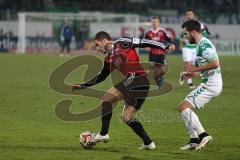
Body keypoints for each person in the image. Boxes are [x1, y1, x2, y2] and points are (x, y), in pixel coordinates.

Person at [71, 31, 174, 149]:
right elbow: (102, 76)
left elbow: (144, 42)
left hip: (137, 78)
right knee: (127, 117)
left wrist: (164, 45)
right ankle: (148, 143)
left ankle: (103, 134)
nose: (97, 48)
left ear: (104, 40)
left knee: (107, 98)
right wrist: (84, 85)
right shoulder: (109, 58)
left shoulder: (123, 42)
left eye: (97, 44)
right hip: (141, 84)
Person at [178, 20, 222, 150]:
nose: (184, 37)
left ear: (193, 32)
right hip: (209, 83)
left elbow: (215, 63)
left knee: (184, 107)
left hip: (211, 85)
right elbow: (209, 68)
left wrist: (194, 69)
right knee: (183, 107)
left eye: (185, 34)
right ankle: (194, 140)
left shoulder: (204, 45)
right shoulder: (200, 45)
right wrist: (192, 74)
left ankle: (203, 135)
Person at [179, 9, 210, 89]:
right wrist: (181, 42)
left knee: (195, 66)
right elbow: (181, 36)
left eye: (190, 14)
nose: (189, 16)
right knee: (188, 65)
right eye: (187, 14)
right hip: (187, 48)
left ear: (194, 15)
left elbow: (204, 34)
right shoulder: (184, 25)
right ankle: (190, 84)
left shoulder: (200, 24)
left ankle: (183, 74)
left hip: (196, 48)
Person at [143, 16, 175, 90]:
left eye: (156, 22)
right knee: (154, 71)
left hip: (161, 54)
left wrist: (171, 42)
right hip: (152, 54)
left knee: (163, 69)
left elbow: (169, 39)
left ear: (159, 23)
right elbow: (143, 43)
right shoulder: (148, 32)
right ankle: (159, 81)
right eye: (153, 22)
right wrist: (146, 47)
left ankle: (160, 78)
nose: (154, 23)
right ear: (151, 23)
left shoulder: (162, 31)